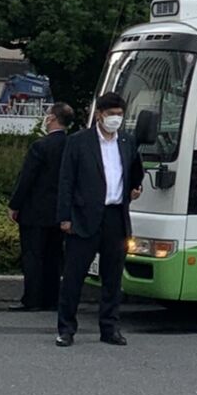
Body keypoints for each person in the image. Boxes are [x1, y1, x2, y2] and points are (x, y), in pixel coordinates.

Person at [56, 93, 145, 347]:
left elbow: (135, 171)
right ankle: (66, 329)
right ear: (99, 115)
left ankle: (109, 328)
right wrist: (65, 217)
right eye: (111, 114)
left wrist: (136, 188)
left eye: (119, 114)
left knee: (113, 277)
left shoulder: (127, 141)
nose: (115, 119)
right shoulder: (79, 142)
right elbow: (66, 180)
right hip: (83, 216)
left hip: (115, 216)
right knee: (74, 277)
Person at [8, 102, 75, 312]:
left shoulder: (40, 146)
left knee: (33, 255)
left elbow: (27, 178)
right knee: (54, 256)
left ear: (52, 118)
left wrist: (14, 204)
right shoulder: (72, 145)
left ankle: (32, 299)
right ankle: (51, 299)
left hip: (35, 210)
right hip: (60, 210)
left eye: (48, 114)